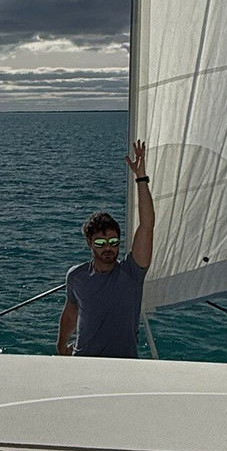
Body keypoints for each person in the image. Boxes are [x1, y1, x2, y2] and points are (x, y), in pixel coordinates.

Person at [56, 140, 155, 358]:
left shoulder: (132, 272)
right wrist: (62, 346)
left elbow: (147, 225)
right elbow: (71, 312)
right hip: (83, 361)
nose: (108, 247)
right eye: (100, 243)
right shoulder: (76, 276)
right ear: (89, 243)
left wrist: (141, 178)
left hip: (122, 365)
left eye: (113, 241)